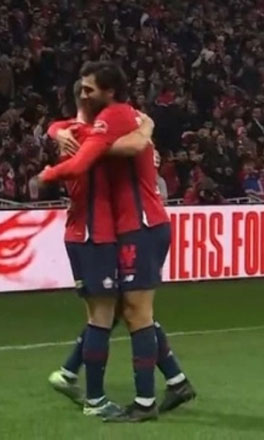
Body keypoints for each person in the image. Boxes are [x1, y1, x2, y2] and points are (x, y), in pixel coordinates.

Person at [40, 61, 195, 422]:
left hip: (139, 226)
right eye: (81, 89)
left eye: (90, 89)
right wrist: (55, 130)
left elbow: (125, 145)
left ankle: (141, 402)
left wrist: (49, 171)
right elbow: (91, 135)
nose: (84, 94)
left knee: (132, 312)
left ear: (109, 93)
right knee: (125, 310)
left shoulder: (116, 117)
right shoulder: (93, 127)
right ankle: (174, 381)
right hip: (122, 229)